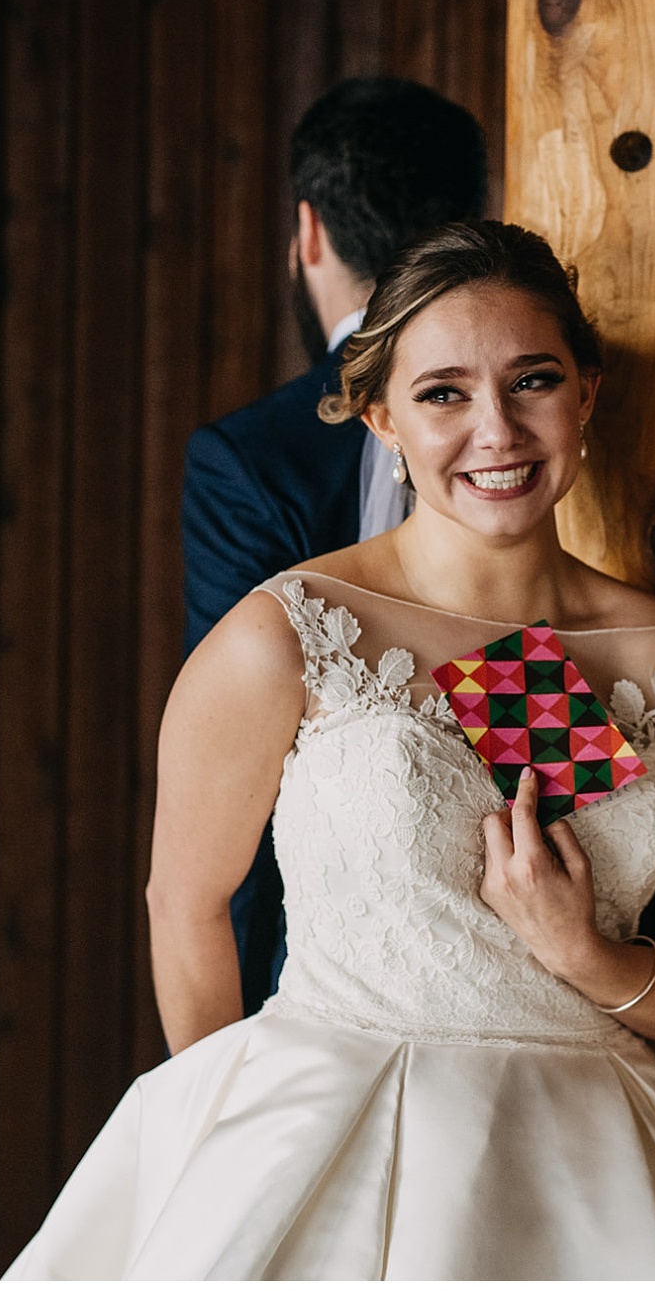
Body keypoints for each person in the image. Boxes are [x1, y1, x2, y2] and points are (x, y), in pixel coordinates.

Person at [6, 221, 655, 1279]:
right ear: (380, 416)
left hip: (586, 1178)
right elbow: (183, 904)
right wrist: (224, 1150)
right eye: (443, 393)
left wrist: (586, 954)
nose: (494, 430)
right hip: (324, 1141)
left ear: (584, 394)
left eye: (531, 380)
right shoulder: (289, 632)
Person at [181, 78, 490, 1015]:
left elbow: (229, 787)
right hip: (342, 999)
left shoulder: (247, 457)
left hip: (493, 998)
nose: (493, 431)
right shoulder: (515, 436)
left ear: (308, 232)